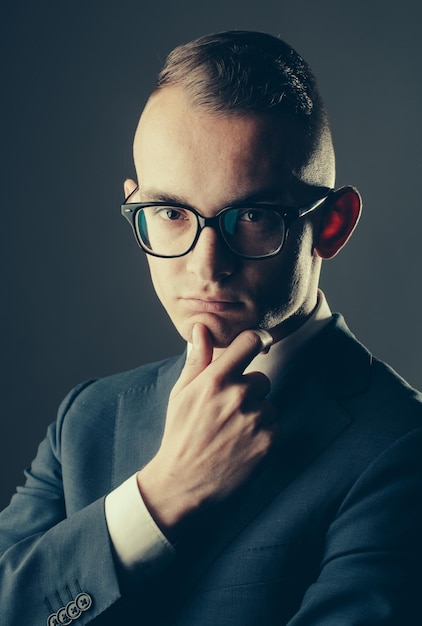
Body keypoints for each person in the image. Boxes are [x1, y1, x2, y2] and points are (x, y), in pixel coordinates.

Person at [1, 30, 421, 626]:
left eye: (251, 215)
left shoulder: (402, 448)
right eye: (170, 213)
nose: (206, 266)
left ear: (331, 224)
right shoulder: (86, 420)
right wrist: (161, 498)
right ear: (136, 205)